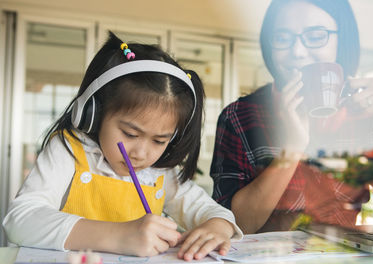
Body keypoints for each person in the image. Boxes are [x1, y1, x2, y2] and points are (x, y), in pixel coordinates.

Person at [3, 32, 242, 261]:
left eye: (159, 141)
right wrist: (120, 235)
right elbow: (20, 221)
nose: (141, 154)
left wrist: (218, 226)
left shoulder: (160, 174)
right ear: (94, 116)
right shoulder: (70, 150)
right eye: (130, 133)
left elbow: (213, 212)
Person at [210, 0, 373, 234]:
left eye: (316, 36)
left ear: (342, 41)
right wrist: (292, 148)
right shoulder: (239, 117)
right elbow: (236, 225)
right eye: (282, 38)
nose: (297, 52)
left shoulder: (367, 115)